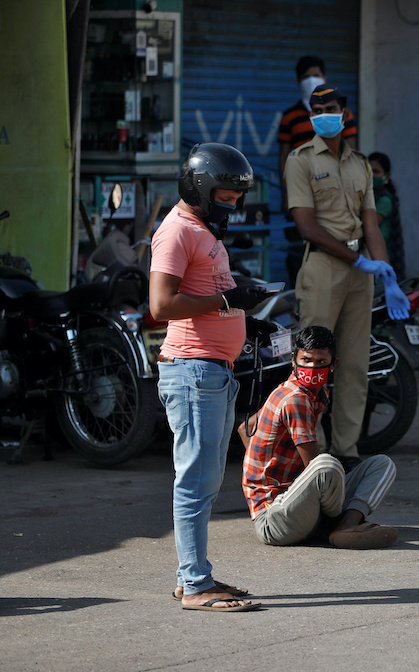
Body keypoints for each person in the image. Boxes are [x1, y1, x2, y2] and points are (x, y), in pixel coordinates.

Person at [150, 143, 271, 612]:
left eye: (238, 196)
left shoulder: (204, 230)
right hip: (193, 372)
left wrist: (245, 312)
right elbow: (161, 305)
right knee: (195, 481)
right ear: (200, 188)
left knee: (206, 481)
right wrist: (227, 303)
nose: (233, 203)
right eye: (225, 194)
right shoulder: (177, 232)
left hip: (214, 372)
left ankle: (193, 577)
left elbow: (208, 292)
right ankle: (196, 585)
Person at [285, 84, 410, 472]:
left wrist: (384, 270)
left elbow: (371, 223)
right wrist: (360, 261)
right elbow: (306, 226)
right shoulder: (300, 160)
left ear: (344, 113)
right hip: (324, 266)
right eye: (316, 107)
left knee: (355, 365)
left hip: (361, 272)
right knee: (313, 364)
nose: (323, 112)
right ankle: (314, 452)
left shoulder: (360, 163)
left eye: (331, 107)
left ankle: (347, 451)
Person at [240, 326, 399, 549]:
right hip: (275, 518)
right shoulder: (295, 398)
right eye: (306, 360)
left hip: (299, 502)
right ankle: (337, 526)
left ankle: (346, 524)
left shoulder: (317, 394)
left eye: (321, 362)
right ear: (294, 361)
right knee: (325, 464)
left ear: (333, 365)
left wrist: (263, 458)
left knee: (382, 465)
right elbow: (314, 466)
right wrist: (262, 481)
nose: (312, 367)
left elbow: (244, 427)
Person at [278, 56, 359, 286]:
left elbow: (351, 152)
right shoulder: (290, 116)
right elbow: (283, 158)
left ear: (325, 78)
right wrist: (286, 194)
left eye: (316, 75)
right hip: (301, 193)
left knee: (335, 247)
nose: (311, 80)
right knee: (300, 251)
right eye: (306, 77)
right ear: (298, 82)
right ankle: (301, 298)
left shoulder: (343, 114)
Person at [369, 151, 405, 278]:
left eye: (376, 171)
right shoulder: (368, 198)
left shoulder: (384, 200)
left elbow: (369, 226)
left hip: (379, 258)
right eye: (368, 171)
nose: (371, 176)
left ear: (387, 176)